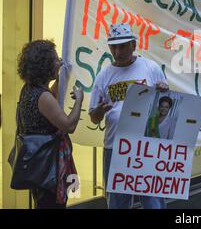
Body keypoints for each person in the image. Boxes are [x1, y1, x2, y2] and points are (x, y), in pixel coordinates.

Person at [89, 23, 169, 209]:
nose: (118, 52)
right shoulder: (103, 76)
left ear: (133, 45)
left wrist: (164, 90)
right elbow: (94, 117)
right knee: (117, 203)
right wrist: (100, 110)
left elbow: (166, 106)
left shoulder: (151, 68)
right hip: (115, 147)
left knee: (153, 201)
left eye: (123, 46)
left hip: (147, 146)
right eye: (113, 47)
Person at [16, 40, 84, 208]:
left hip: (38, 165)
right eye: (55, 59)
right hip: (50, 166)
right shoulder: (43, 97)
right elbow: (69, 126)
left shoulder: (29, 90)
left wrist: (60, 76)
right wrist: (79, 101)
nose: (59, 61)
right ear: (44, 64)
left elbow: (50, 99)